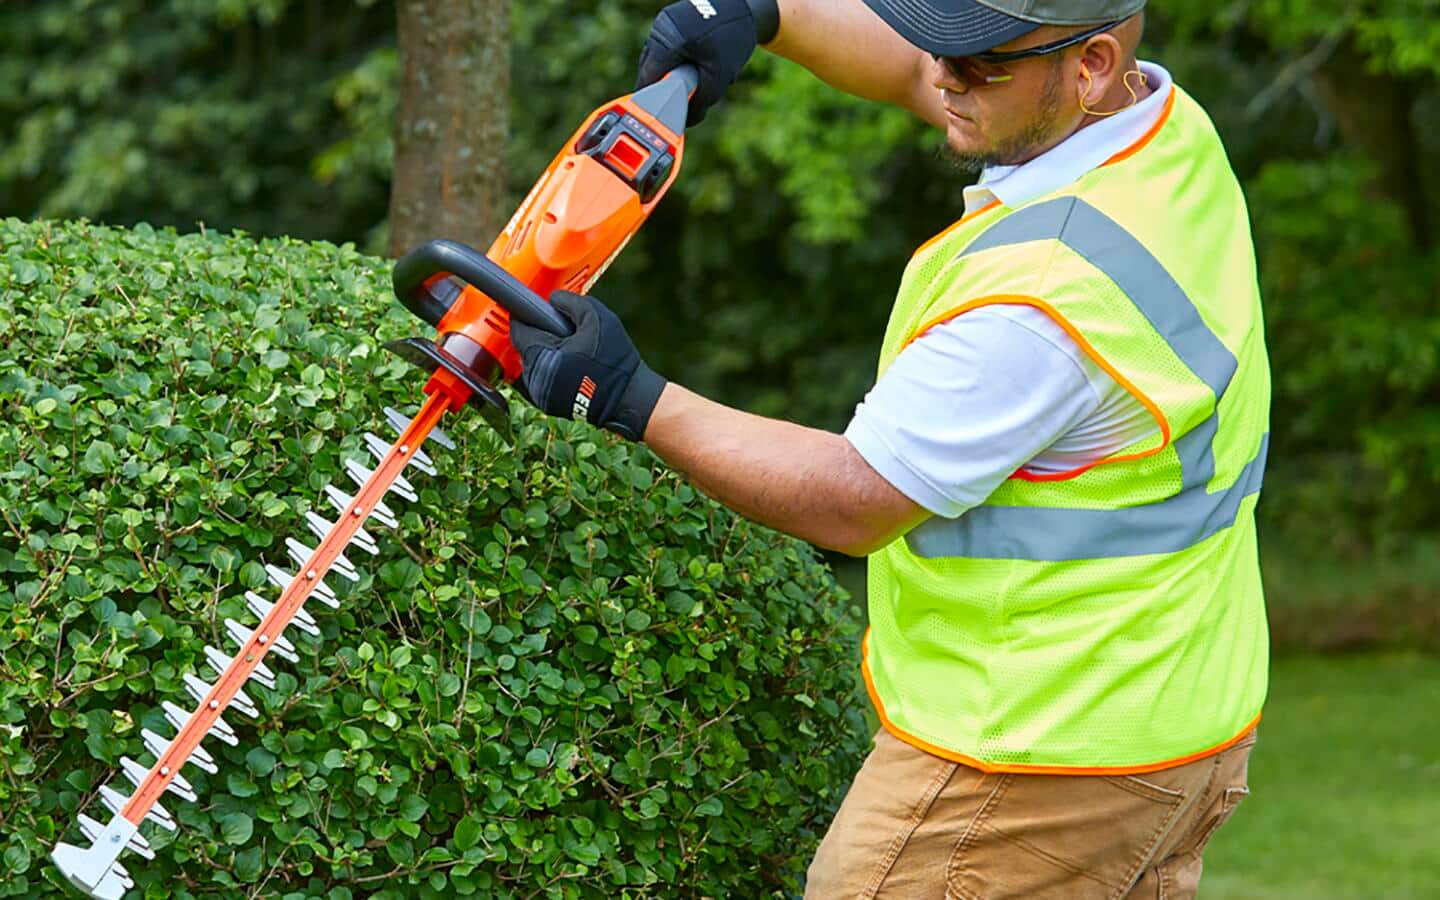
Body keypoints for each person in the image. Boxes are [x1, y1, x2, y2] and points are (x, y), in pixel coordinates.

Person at [507, 1, 1271, 896]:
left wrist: (630, 395)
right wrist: (769, 14)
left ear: (1092, 65)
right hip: (1171, 717)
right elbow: (919, 72)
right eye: (944, 42)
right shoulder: (1162, 133)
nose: (942, 75)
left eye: (978, 62)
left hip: (1032, 757)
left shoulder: (1048, 294)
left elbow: (854, 496)